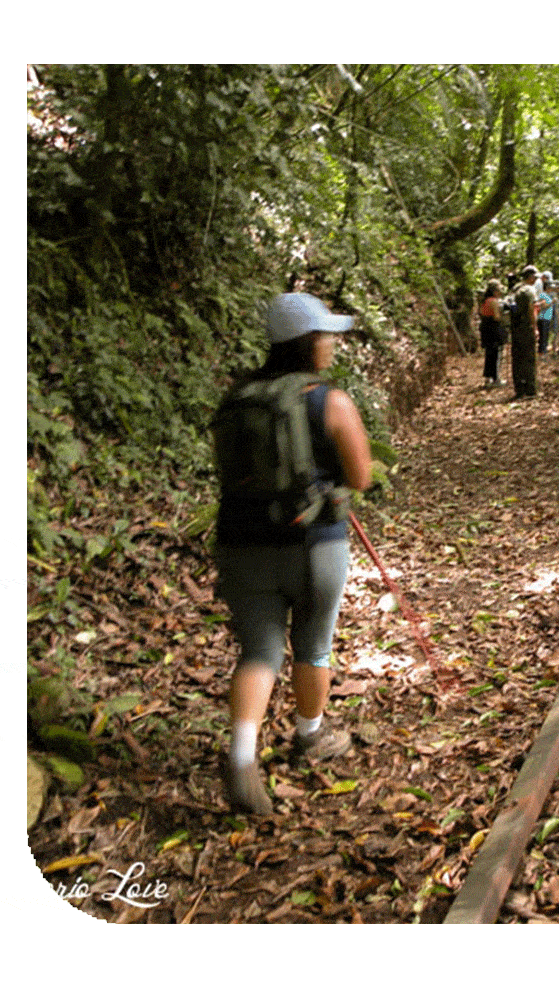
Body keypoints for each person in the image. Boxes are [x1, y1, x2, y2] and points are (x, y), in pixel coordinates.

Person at [213, 292, 372, 815]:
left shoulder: (237, 399)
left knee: (258, 652)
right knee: (313, 646)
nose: (332, 343)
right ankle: (310, 735)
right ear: (308, 343)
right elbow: (361, 476)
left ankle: (241, 758)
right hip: (313, 545)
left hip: (240, 545)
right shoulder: (330, 400)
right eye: (326, 335)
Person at [511, 265, 539, 397]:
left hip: (515, 328)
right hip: (526, 327)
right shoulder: (529, 290)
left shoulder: (515, 289)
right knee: (529, 358)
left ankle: (519, 390)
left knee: (517, 359)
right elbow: (531, 309)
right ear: (531, 277)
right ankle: (530, 390)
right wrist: (535, 328)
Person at [478, 279, 506, 387]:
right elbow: (496, 317)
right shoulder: (493, 301)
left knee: (489, 354)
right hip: (493, 329)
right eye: (499, 290)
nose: (500, 292)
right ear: (494, 291)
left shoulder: (484, 300)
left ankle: (487, 379)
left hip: (485, 329)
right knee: (496, 354)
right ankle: (496, 379)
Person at [536, 271, 556, 357]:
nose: (551, 289)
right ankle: (542, 353)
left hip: (547, 318)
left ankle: (544, 352)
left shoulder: (548, 296)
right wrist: (552, 302)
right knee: (543, 337)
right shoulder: (543, 295)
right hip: (542, 318)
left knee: (546, 336)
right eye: (550, 288)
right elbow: (543, 306)